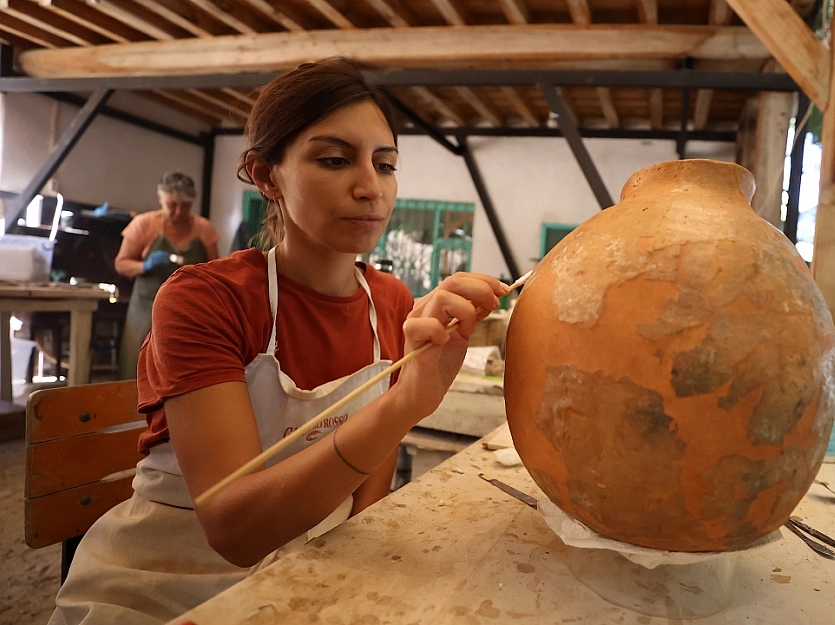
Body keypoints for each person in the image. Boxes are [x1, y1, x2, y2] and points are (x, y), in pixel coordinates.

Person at [51, 58, 510, 625]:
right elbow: (234, 530)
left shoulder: (391, 303)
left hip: (314, 561)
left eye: (385, 164)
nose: (370, 187)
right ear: (267, 175)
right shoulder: (205, 299)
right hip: (168, 577)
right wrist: (404, 404)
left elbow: (368, 493)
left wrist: (346, 575)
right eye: (335, 160)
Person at [115, 172, 220, 380]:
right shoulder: (143, 224)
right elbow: (121, 264)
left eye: (186, 206)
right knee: (138, 372)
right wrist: (145, 266)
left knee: (183, 373)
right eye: (172, 204)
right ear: (160, 198)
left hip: (190, 313)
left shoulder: (204, 229)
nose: (179, 212)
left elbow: (216, 272)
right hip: (146, 311)